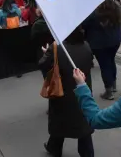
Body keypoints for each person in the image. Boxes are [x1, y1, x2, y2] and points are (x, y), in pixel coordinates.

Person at [39, 27, 94, 157]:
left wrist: (47, 53)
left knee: (59, 121)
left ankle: (54, 148)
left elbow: (43, 64)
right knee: (83, 124)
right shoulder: (86, 45)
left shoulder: (56, 47)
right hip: (82, 90)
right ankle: (87, 153)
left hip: (62, 92)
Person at [82, 0, 121, 100]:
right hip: (115, 40)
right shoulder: (115, 7)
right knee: (111, 60)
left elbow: (84, 24)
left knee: (104, 65)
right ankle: (113, 85)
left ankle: (108, 91)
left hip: (99, 43)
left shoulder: (93, 11)